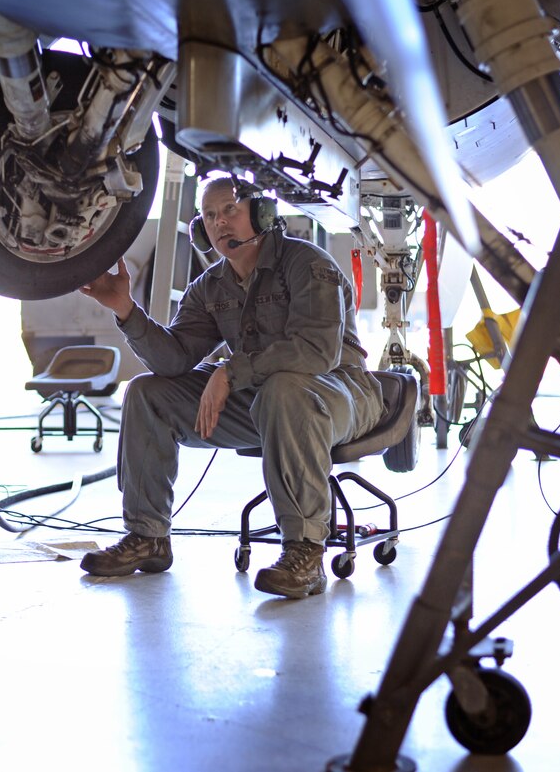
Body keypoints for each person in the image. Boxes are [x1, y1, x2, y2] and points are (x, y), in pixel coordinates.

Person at [77, 176, 384, 599]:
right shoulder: (211, 287)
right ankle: (147, 537)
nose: (220, 223)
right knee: (147, 393)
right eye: (209, 216)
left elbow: (315, 353)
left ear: (261, 214)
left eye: (230, 210)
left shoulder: (307, 264)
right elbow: (174, 360)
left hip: (338, 393)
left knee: (285, 390)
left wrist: (229, 373)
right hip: (265, 401)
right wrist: (127, 311)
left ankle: (305, 551)